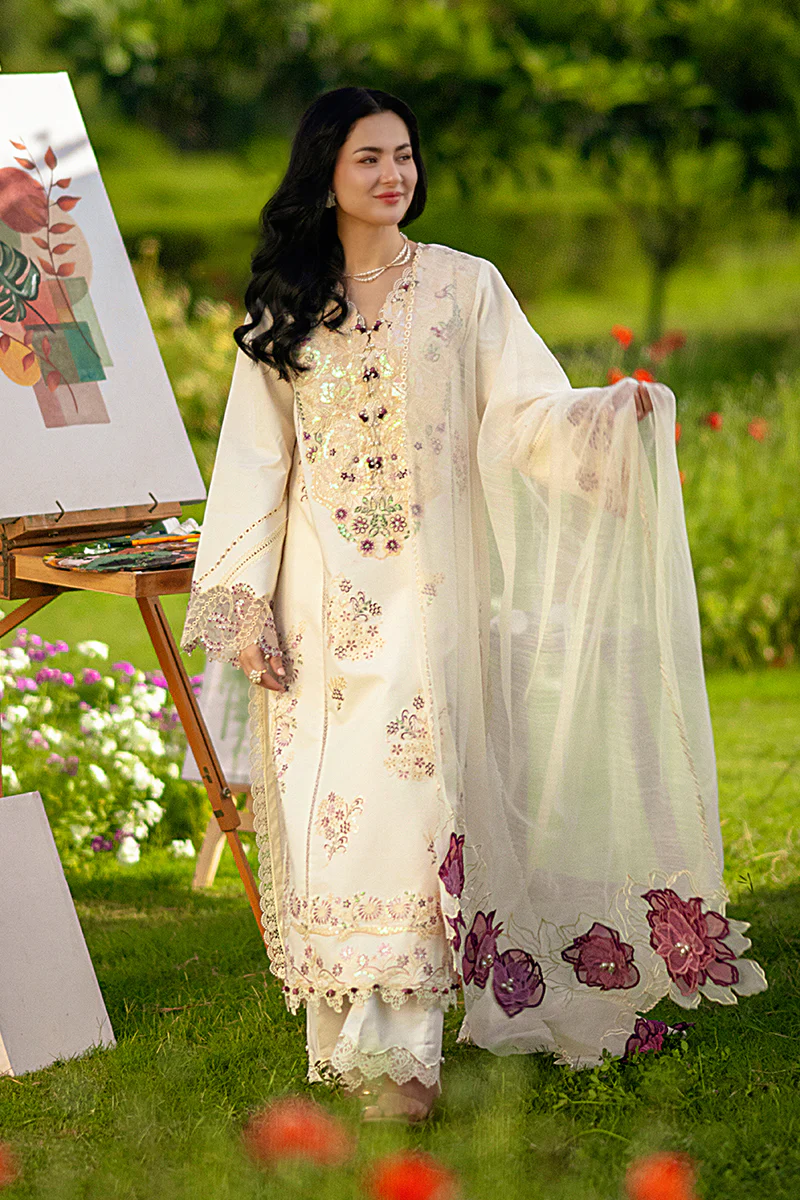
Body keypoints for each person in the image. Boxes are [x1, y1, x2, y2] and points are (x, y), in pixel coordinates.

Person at [180, 86, 767, 1122]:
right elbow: (254, 464)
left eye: (403, 155)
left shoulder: (463, 287)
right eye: (369, 158)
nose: (392, 175)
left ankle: (402, 1061)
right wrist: (244, 604)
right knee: (339, 821)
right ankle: (358, 1041)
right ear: (325, 172)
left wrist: (601, 422)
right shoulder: (282, 311)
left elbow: (525, 414)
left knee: (414, 810)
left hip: (431, 605)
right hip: (321, 611)